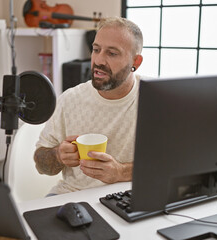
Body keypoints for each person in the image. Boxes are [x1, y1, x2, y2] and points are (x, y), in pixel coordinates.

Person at [34, 16, 143, 195]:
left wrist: (120, 172)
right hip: (73, 195)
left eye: (112, 53)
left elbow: (173, 163)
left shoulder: (151, 98)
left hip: (130, 195)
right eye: (96, 49)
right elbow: (41, 164)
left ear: (135, 62)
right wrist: (58, 155)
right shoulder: (70, 99)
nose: (99, 60)